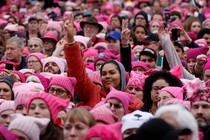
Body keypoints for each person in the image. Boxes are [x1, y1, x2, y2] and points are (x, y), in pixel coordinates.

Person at [64, 17, 143, 110]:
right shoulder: (92, 93)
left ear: (122, 75)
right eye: (104, 74)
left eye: (112, 73)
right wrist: (70, 42)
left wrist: (125, 45)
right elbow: (77, 73)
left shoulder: (135, 102)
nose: (107, 76)